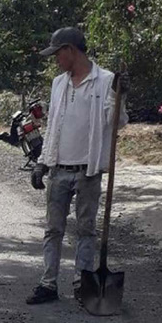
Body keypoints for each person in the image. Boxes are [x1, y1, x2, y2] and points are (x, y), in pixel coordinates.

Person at [27, 27, 129, 305]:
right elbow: (53, 127)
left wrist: (119, 95)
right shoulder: (59, 83)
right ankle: (48, 284)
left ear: (71, 50)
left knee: (85, 230)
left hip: (88, 170)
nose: (56, 59)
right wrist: (43, 163)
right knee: (53, 230)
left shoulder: (106, 80)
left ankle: (82, 284)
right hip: (59, 169)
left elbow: (117, 121)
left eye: (58, 53)